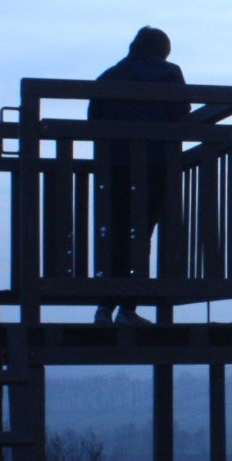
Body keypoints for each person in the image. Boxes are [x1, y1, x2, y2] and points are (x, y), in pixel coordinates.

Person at [88, 27, 186, 322]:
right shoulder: (170, 74)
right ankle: (128, 309)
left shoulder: (109, 76)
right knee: (141, 232)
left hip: (115, 167)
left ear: (133, 47)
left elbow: (94, 118)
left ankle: (105, 307)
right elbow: (182, 115)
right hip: (155, 165)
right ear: (164, 51)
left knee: (115, 231)